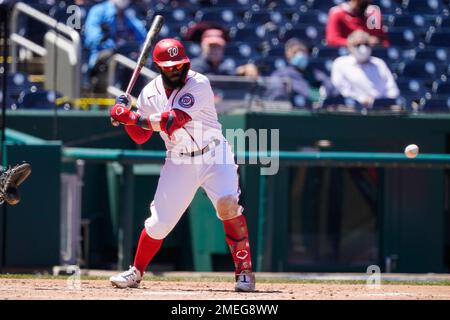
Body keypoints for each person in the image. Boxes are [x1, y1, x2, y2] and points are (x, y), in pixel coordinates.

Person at [108, 38, 256, 292]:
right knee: (158, 224)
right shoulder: (149, 93)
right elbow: (142, 137)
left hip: (213, 155)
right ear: (159, 67)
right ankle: (136, 271)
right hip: (178, 159)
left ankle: (244, 273)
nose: (175, 70)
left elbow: (171, 122)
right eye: (169, 66)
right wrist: (125, 119)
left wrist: (131, 116)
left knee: (228, 206)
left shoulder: (198, 83)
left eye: (179, 65)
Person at [83, 0, 147, 92]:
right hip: (102, 58)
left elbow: (141, 35)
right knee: (111, 55)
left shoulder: (127, 15)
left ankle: (132, 100)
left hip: (124, 56)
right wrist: (113, 44)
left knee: (138, 60)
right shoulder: (98, 10)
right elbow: (92, 39)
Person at [331, 30, 399, 106]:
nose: (363, 48)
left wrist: (388, 102)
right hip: (352, 109)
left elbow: (391, 88)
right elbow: (342, 89)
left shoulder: (379, 63)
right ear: (350, 47)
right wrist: (362, 100)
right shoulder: (340, 63)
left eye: (366, 44)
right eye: (358, 44)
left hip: (382, 109)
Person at [265, 38, 335, 107]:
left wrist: (322, 96)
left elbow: (329, 87)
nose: (300, 55)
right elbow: (277, 97)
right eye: (295, 52)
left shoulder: (315, 74)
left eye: (302, 51)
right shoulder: (280, 74)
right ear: (287, 54)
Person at [190, 28, 259, 78]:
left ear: (223, 48)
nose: (215, 50)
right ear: (203, 47)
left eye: (218, 47)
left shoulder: (225, 64)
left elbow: (232, 73)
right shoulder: (194, 66)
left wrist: (245, 69)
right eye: (211, 46)